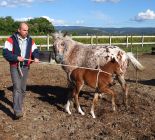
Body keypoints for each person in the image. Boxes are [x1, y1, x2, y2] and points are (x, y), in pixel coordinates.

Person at [3, 22, 39, 120]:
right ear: (19, 30)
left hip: (25, 67)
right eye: (24, 30)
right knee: (17, 88)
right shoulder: (11, 40)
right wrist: (16, 58)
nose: (26, 32)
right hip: (15, 66)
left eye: (27, 30)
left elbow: (35, 50)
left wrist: (36, 57)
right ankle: (17, 111)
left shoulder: (30, 40)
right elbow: (5, 53)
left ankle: (18, 103)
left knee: (23, 89)